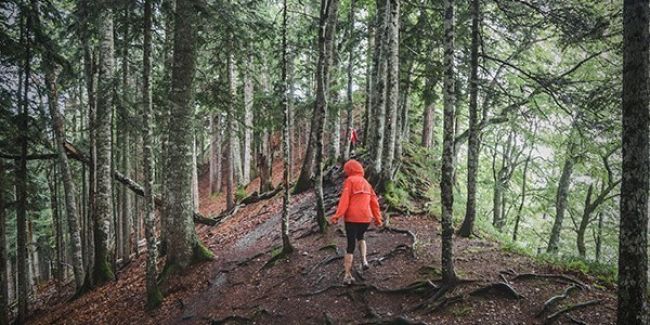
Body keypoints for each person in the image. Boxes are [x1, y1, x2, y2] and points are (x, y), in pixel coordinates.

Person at [329, 159, 383, 284]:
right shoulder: (367, 183)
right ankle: (364, 260)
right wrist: (378, 218)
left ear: (350, 170)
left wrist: (337, 216)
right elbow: (374, 202)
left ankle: (347, 275)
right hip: (365, 218)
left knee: (350, 245)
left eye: (346, 169)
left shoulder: (350, 181)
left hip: (352, 218)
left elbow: (345, 200)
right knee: (361, 236)